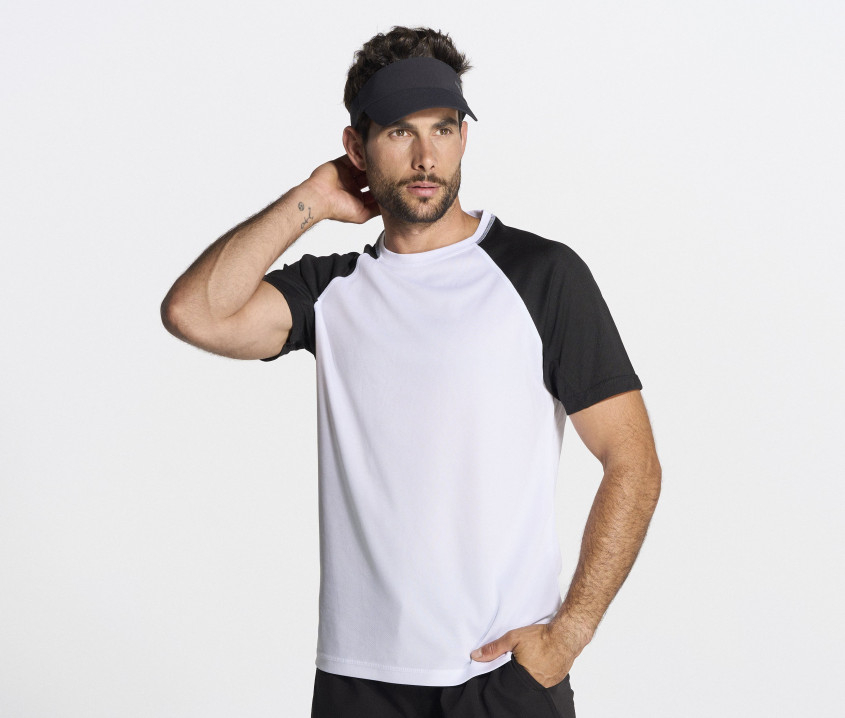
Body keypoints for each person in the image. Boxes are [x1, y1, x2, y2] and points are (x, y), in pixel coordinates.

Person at [161, 25, 661, 718]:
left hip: (500, 680)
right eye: (400, 132)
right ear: (357, 147)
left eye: (443, 129)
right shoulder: (330, 291)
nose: (427, 157)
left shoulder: (541, 275)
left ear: (463, 137)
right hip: (358, 681)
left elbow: (633, 463)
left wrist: (565, 639)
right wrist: (313, 200)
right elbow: (194, 313)